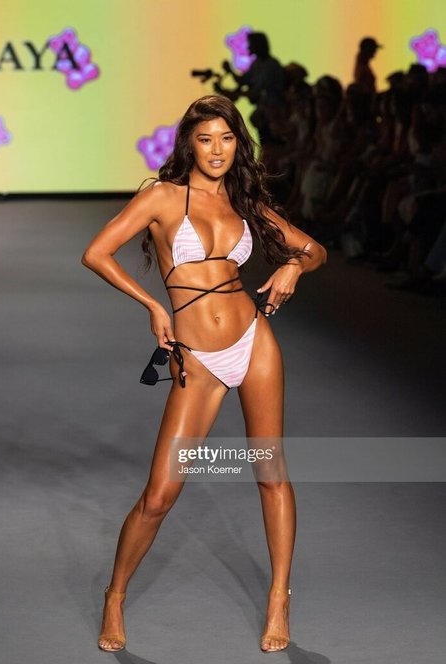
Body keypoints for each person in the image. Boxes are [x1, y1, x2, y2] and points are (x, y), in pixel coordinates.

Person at [81, 94, 327, 654]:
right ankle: (116, 594)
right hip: (196, 354)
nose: (217, 150)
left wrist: (293, 265)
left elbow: (316, 251)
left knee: (271, 472)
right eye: (205, 139)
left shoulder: (245, 201)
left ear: (239, 143)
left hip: (253, 339)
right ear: (189, 144)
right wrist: (153, 306)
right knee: (160, 495)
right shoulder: (162, 196)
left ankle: (279, 598)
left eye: (227, 138)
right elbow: (97, 253)